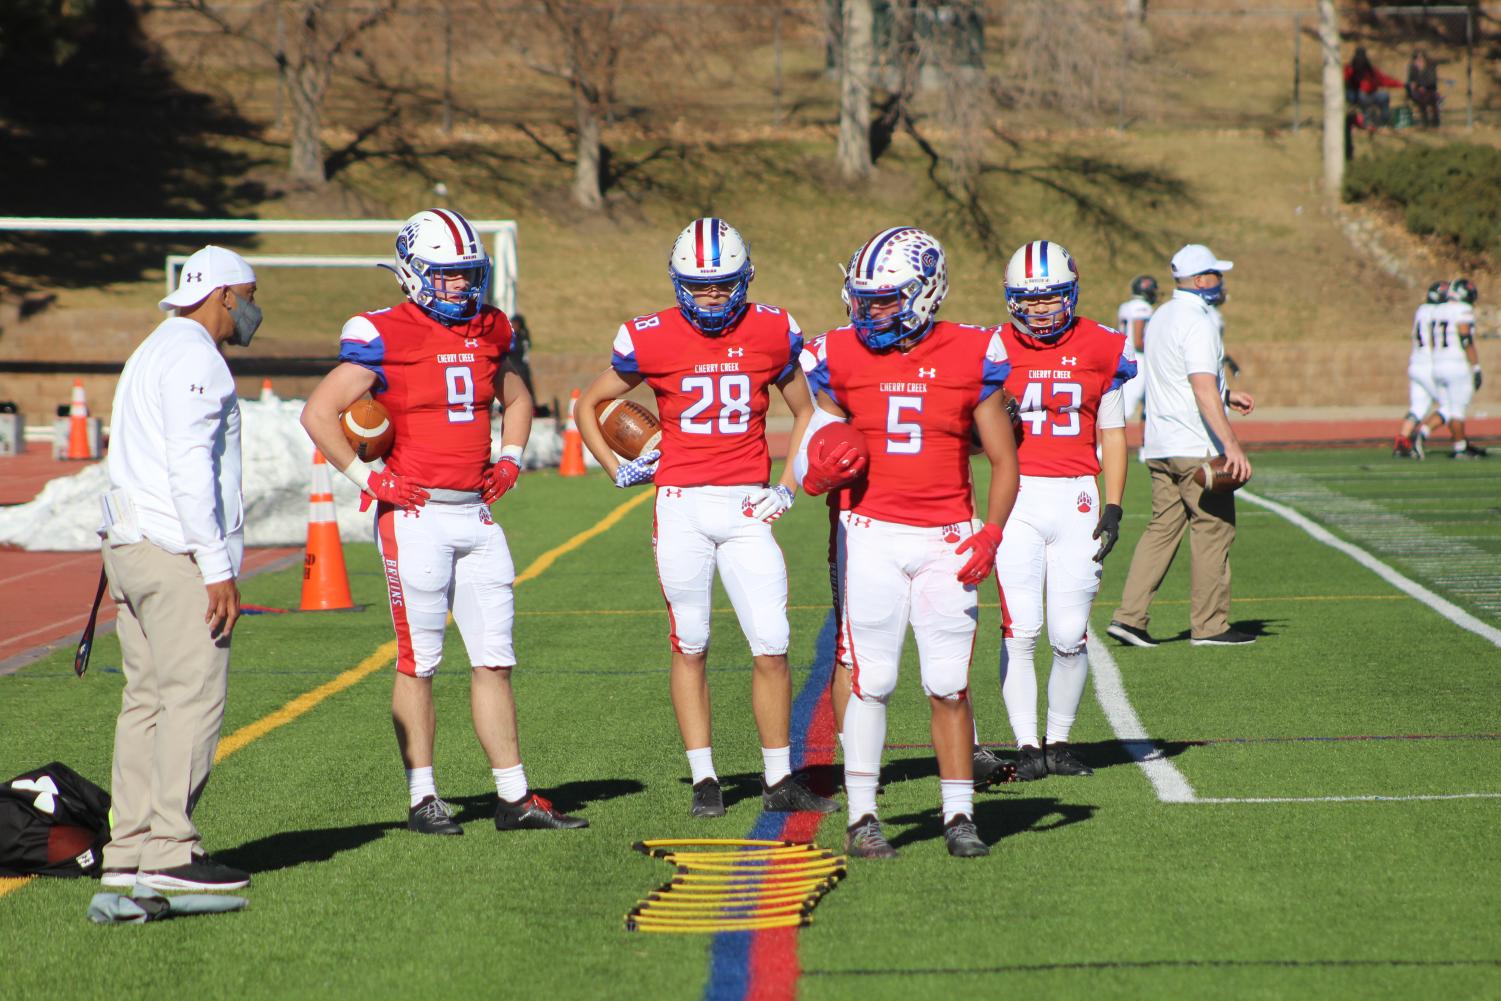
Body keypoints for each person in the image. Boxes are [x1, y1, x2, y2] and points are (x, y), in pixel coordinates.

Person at [301, 208, 587, 836]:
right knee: (419, 660)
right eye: (447, 275)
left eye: (467, 274)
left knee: (494, 658)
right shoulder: (380, 332)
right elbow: (319, 412)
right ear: (411, 274)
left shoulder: (491, 328)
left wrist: (509, 459)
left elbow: (515, 398)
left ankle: (513, 797)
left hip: (476, 515)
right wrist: (372, 480)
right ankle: (422, 797)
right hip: (416, 515)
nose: (460, 286)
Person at [575, 217, 834, 820]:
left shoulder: (772, 329)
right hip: (682, 507)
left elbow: (808, 412)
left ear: (744, 281)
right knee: (691, 642)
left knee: (772, 643)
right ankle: (704, 777)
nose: (712, 296)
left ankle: (777, 776)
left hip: (746, 506)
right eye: (700, 285)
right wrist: (617, 469)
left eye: (723, 285)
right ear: (678, 282)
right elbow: (589, 403)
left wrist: (788, 485)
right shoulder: (652, 336)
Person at [799, 226, 1020, 859]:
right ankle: (864, 816)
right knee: (872, 679)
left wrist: (993, 533)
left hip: (947, 537)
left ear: (926, 293)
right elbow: (815, 442)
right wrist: (811, 473)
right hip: (869, 534)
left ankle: (958, 816)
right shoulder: (837, 355)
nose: (870, 312)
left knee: (948, 683)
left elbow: (1003, 460)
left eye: (886, 300)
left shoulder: (972, 352)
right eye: (863, 299)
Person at [96, 246, 260, 892]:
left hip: (129, 546)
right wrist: (216, 565)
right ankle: (169, 849)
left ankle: (126, 850)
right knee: (191, 697)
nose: (252, 309)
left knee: (144, 702)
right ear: (222, 295)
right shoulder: (198, 359)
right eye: (248, 295)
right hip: (175, 554)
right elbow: (192, 469)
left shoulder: (150, 350)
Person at [990, 240, 1135, 781]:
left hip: (1078, 495)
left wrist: (1115, 504)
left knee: (1069, 632)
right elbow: (977, 442)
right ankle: (1027, 745)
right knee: (1021, 627)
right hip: (1019, 495)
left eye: (1051, 299)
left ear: (1070, 294)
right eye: (1029, 300)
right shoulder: (995, 349)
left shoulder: (1102, 345)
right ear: (1011, 301)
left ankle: (1061, 740)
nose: (1041, 310)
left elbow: (1113, 433)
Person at [1107, 243, 1255, 648]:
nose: (1222, 282)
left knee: (1162, 529)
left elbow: (1176, 377)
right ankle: (1209, 626)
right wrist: (1232, 445)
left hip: (1160, 442)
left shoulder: (1161, 316)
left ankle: (1129, 617)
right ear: (1203, 280)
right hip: (1194, 443)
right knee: (1214, 528)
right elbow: (1200, 384)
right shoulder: (1200, 321)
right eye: (1217, 275)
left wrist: (1228, 395)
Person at [1426, 278, 1487, 459]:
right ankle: (1460, 448)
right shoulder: (1462, 310)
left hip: (1438, 363)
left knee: (1450, 407)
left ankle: (1459, 444)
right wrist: (1476, 366)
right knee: (1458, 408)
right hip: (1456, 364)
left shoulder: (1438, 310)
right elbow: (1465, 339)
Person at [1393, 281, 1446, 459]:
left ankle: (1402, 441)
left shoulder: (1421, 310)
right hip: (1429, 365)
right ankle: (1421, 435)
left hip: (1415, 363)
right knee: (1451, 405)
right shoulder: (1439, 313)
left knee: (1418, 406)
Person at [1117, 275, 1157, 440]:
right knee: (1128, 408)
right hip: (1140, 360)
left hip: (1124, 356)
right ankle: (1101, 450)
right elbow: (1139, 341)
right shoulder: (1143, 308)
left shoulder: (1125, 307)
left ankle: (1145, 449)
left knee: (1150, 405)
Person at [1345, 47, 1402, 129]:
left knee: (1384, 96)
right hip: (1355, 96)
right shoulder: (1349, 70)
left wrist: (1401, 84)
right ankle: (1366, 122)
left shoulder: (1371, 71)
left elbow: (1384, 80)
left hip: (1370, 95)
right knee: (1362, 97)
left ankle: (1384, 121)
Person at [1405, 49, 1441, 128]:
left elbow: (1432, 81)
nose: (1419, 61)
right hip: (1417, 92)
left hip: (1430, 90)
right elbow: (1411, 81)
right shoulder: (1413, 68)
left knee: (1432, 98)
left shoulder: (1430, 67)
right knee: (1420, 98)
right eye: (1417, 59)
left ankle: (1435, 121)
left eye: (1421, 58)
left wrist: (1422, 86)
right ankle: (1425, 121)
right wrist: (1414, 86)